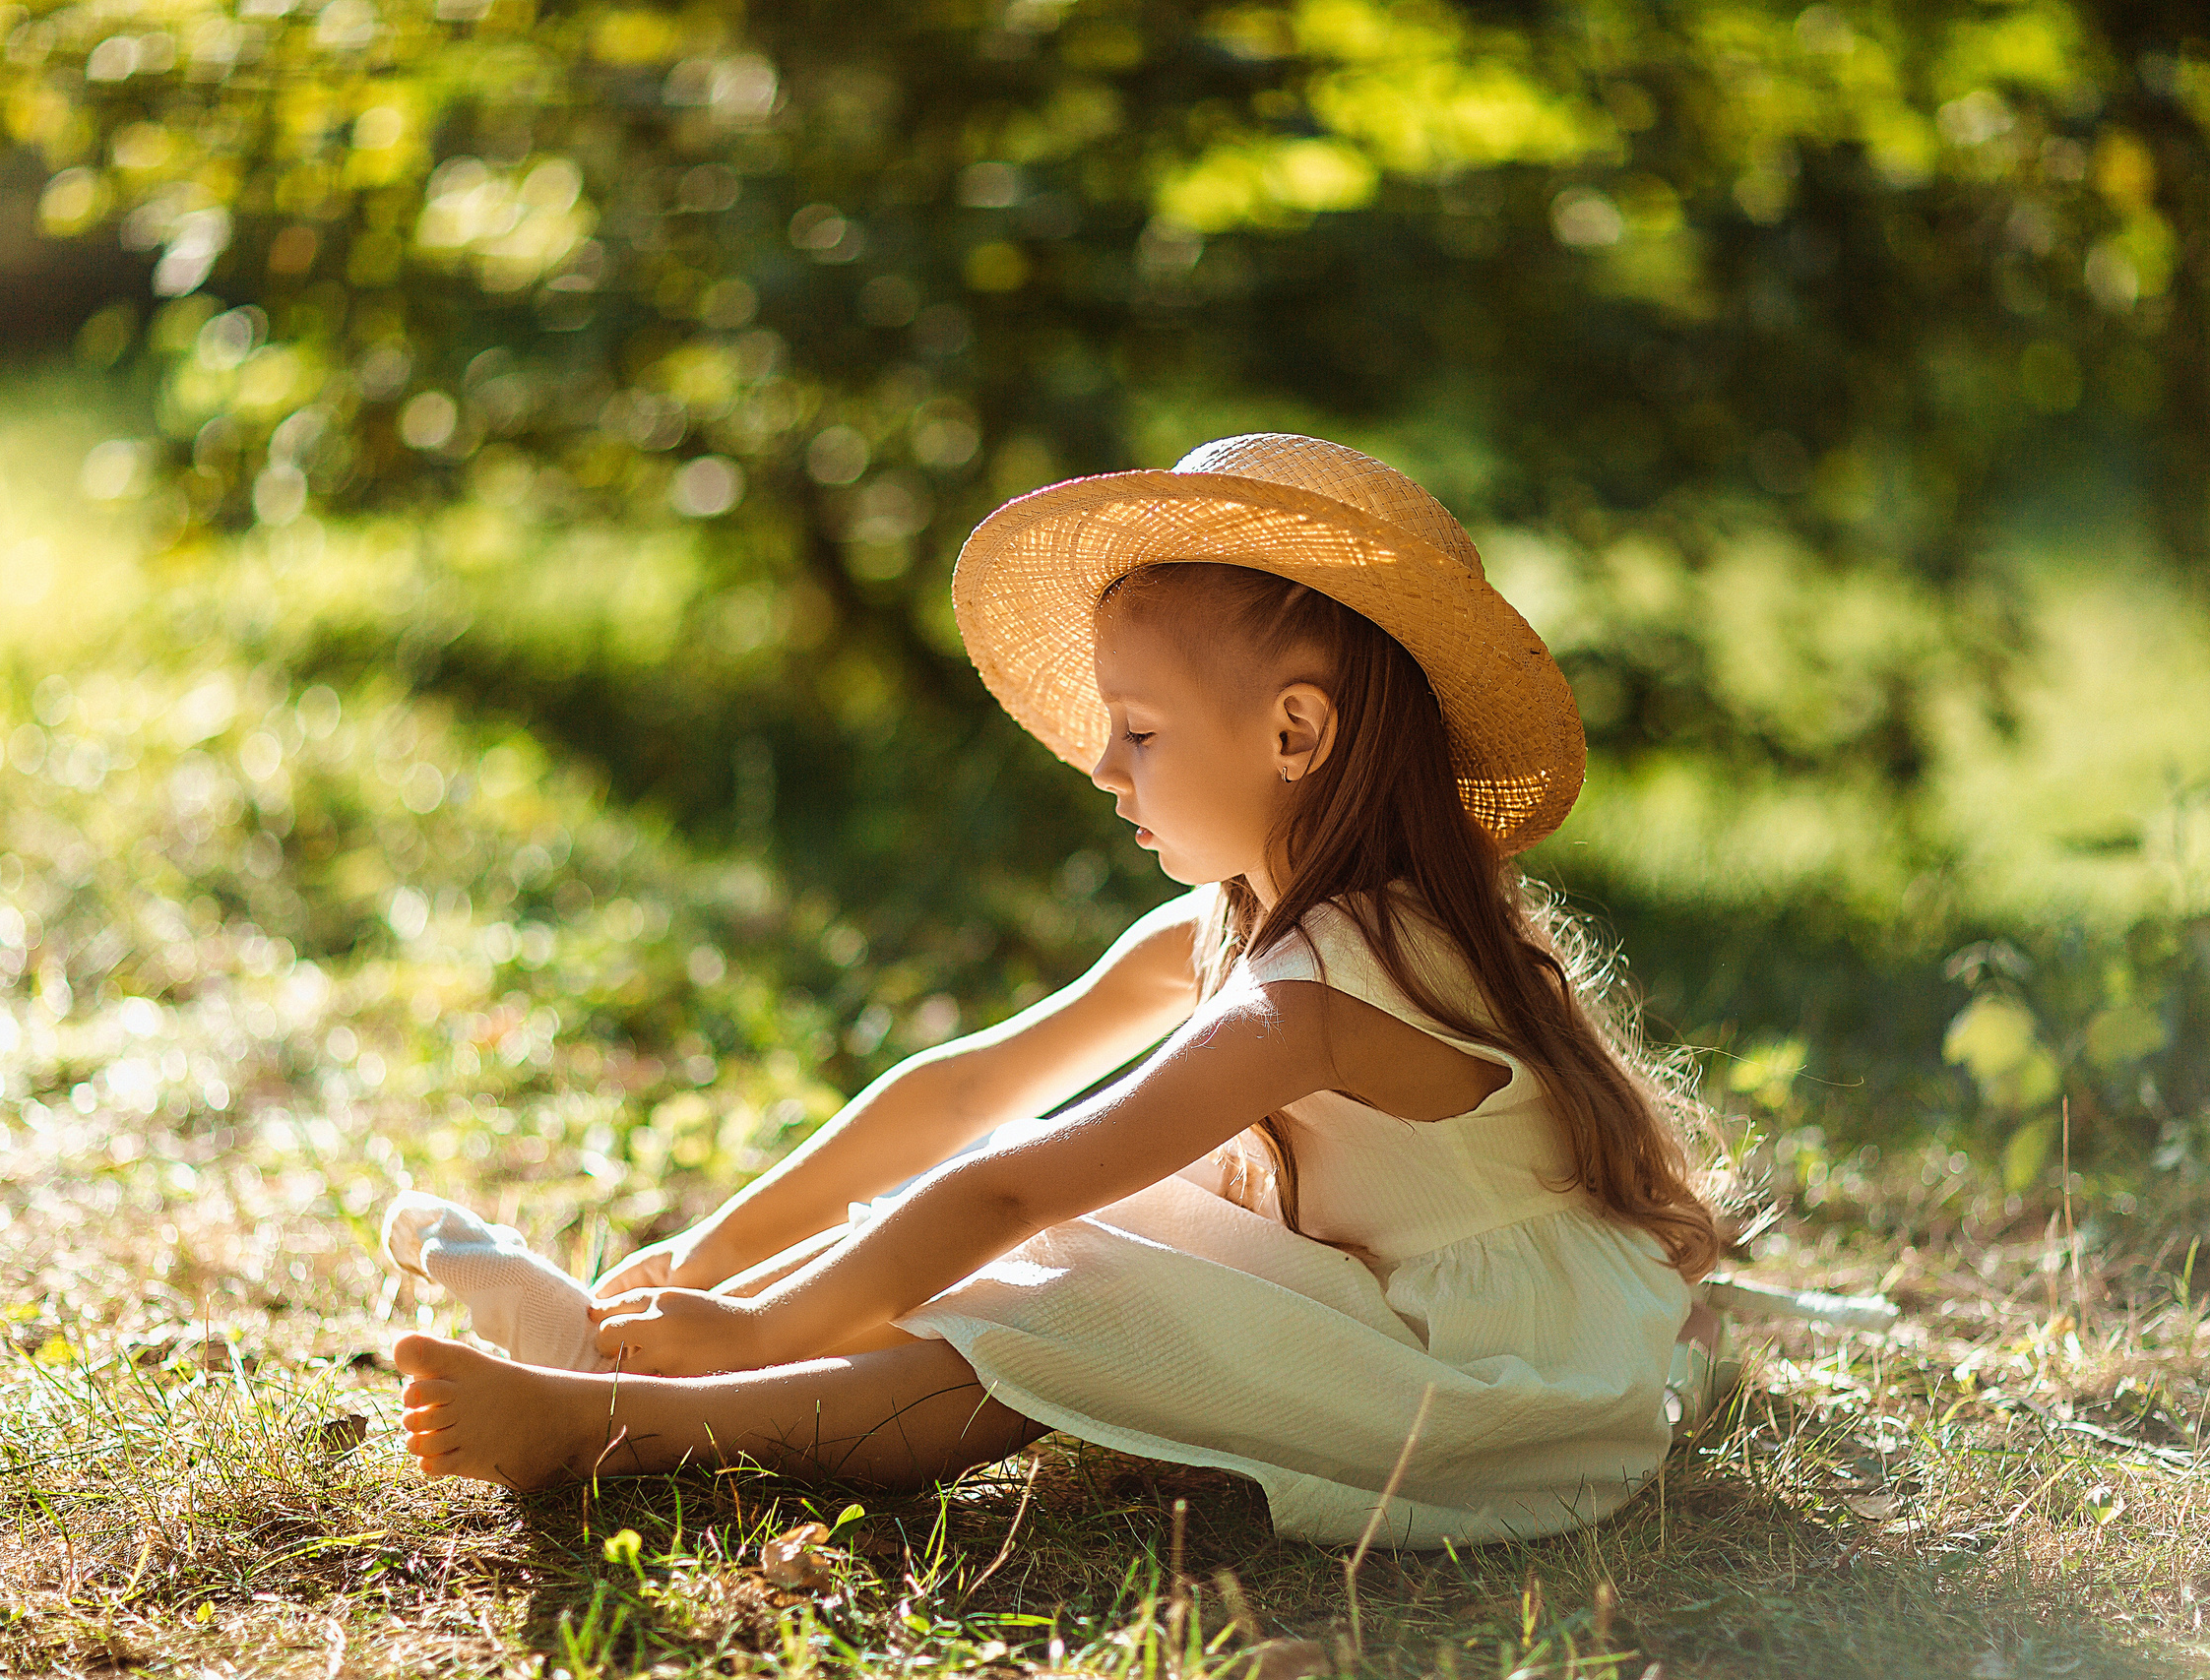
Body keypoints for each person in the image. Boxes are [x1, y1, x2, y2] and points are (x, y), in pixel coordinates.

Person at [390, 433, 1726, 1545]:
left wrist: (748, 1328)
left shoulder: (1333, 985)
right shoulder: (1235, 925)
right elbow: (962, 1092)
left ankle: (621, 1427)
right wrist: (705, 1260)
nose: (1101, 767)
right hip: (1376, 1308)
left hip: (1500, 1391)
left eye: (1138, 732)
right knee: (1061, 1240)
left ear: (1296, 733)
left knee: (1078, 1278)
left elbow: (1023, 1181)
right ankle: (603, 1347)